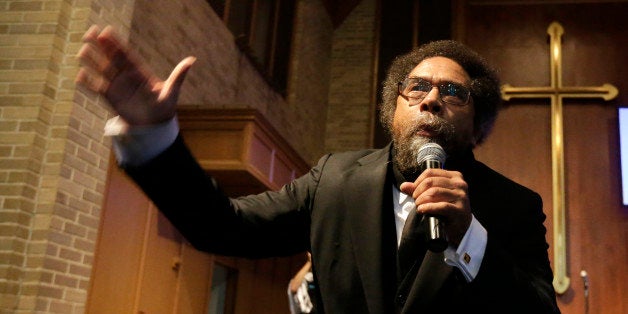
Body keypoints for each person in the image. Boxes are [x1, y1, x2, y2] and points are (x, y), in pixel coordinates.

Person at [76, 25, 560, 313]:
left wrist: (471, 236)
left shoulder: (513, 206)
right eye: (417, 88)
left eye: (454, 93)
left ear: (478, 122)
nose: (432, 99)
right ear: (393, 109)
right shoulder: (334, 179)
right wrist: (155, 136)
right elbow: (220, 227)